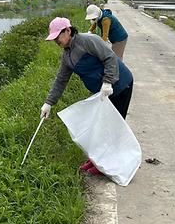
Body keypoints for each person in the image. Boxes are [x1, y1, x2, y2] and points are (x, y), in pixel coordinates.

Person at [40, 16, 134, 175]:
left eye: (58, 36)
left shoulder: (88, 40)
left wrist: (108, 81)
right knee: (99, 126)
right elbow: (61, 80)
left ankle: (106, 164)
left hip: (120, 85)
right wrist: (49, 103)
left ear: (68, 31)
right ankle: (97, 160)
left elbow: (110, 57)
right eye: (54, 38)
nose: (57, 41)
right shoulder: (67, 55)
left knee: (112, 127)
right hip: (102, 93)